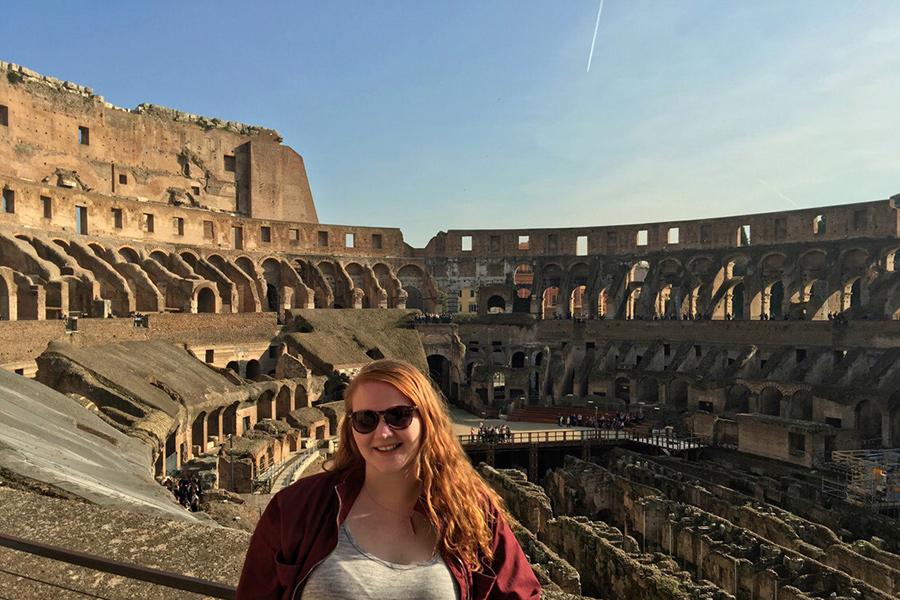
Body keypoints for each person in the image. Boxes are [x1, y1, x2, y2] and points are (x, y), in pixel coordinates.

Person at [236, 359, 540, 599]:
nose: (382, 433)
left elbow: (519, 593)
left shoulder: (473, 511)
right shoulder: (295, 509)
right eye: (366, 419)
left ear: (427, 420)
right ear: (351, 428)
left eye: (398, 416)